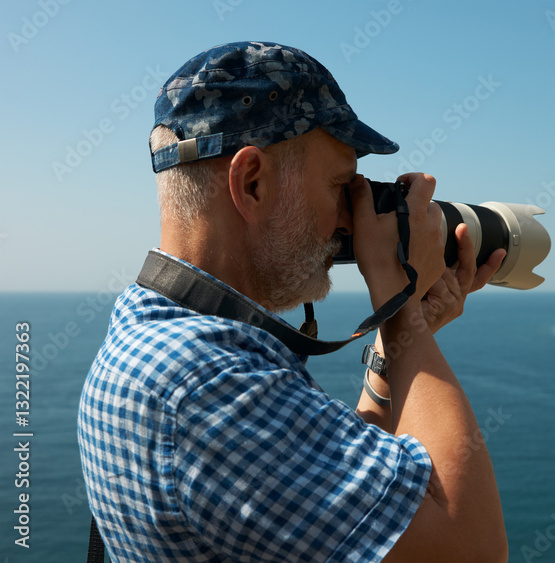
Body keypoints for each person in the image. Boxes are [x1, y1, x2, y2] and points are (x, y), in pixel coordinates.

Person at [77, 40, 508, 562]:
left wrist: (391, 342)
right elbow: (469, 549)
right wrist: (401, 310)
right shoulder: (208, 385)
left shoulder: (151, 329)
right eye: (340, 186)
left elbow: (344, 500)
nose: (351, 218)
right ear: (252, 184)